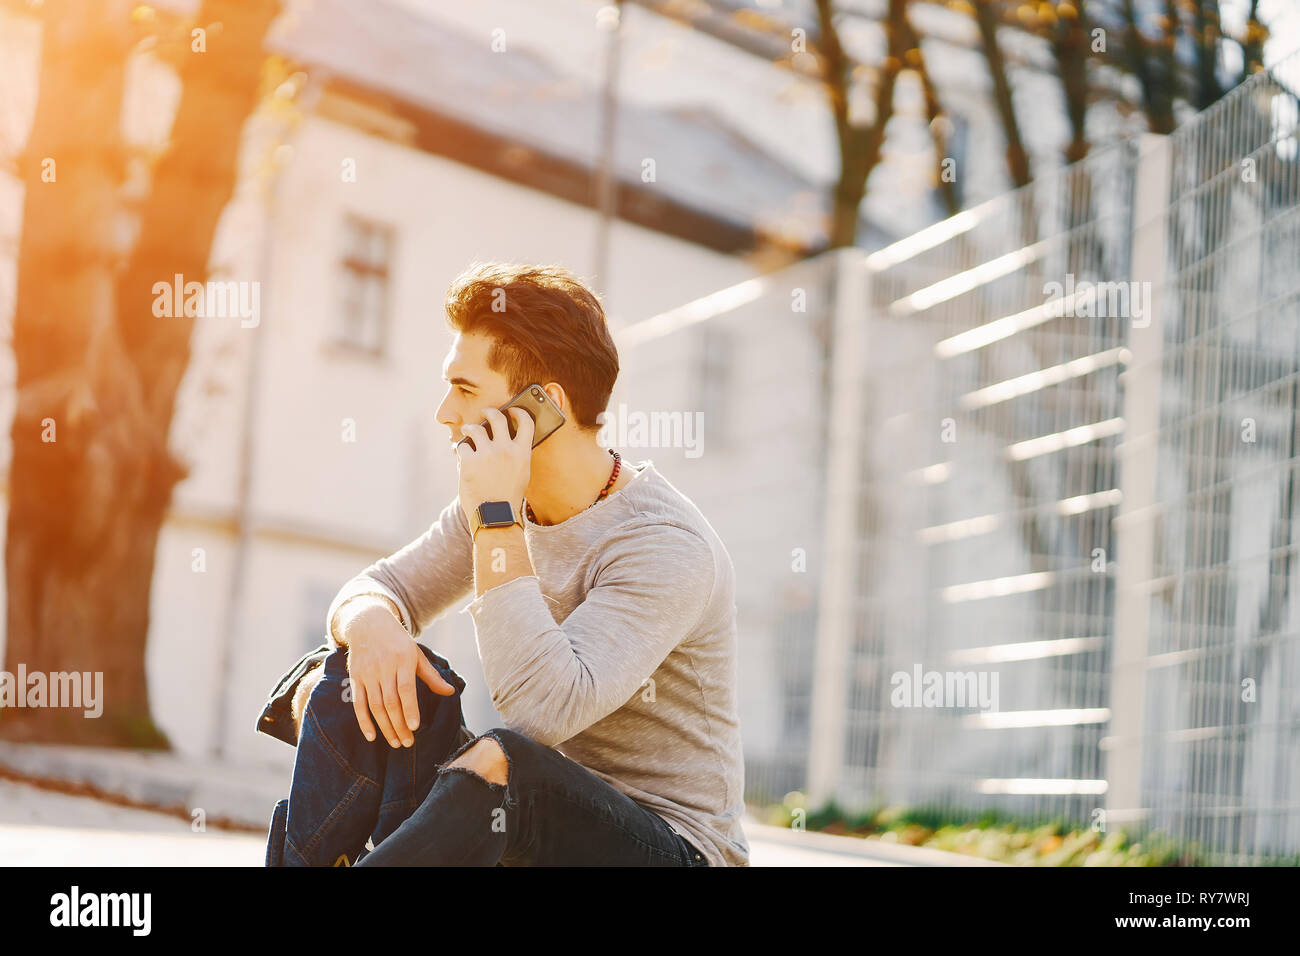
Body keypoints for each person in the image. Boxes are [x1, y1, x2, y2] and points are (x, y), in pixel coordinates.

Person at [290, 261, 749, 866]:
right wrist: (375, 628)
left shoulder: (663, 545)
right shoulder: (497, 504)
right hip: (539, 830)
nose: (445, 414)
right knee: (346, 681)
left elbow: (541, 714)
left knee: (503, 762)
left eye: (466, 389)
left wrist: (498, 517)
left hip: (675, 850)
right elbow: (378, 588)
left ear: (540, 408)